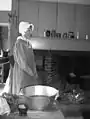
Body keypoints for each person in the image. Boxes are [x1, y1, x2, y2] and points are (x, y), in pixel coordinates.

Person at [2, 21, 41, 95]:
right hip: (22, 72)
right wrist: (31, 72)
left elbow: (32, 60)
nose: (30, 33)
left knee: (29, 91)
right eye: (28, 31)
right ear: (23, 31)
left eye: (30, 30)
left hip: (29, 72)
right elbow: (21, 61)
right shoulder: (19, 43)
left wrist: (34, 72)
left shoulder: (28, 43)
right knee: (22, 91)